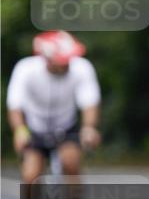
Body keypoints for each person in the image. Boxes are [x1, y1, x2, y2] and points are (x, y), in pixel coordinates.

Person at [7, 30, 102, 184]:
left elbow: (89, 101)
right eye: (62, 60)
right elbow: (15, 105)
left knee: (71, 167)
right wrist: (20, 130)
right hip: (35, 129)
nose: (67, 63)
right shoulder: (25, 69)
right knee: (30, 177)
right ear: (47, 59)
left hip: (66, 127)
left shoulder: (82, 68)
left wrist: (89, 127)